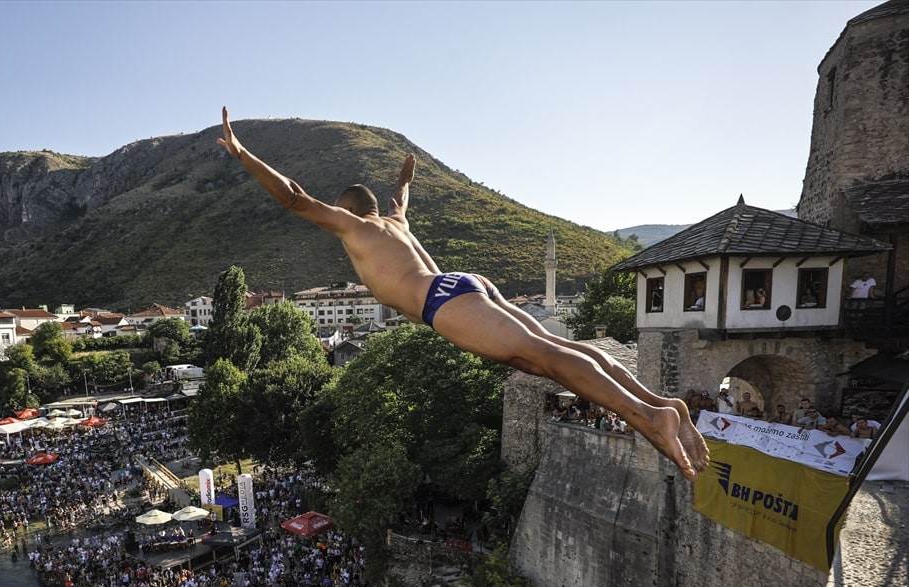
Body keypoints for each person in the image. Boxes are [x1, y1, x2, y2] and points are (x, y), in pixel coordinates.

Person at [216, 108, 705, 480]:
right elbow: (402, 201)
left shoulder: (353, 228)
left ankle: (648, 416)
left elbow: (295, 197)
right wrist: (405, 183)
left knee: (547, 358)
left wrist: (243, 155)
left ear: (346, 211)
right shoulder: (394, 222)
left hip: (442, 302)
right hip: (464, 284)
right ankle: (661, 403)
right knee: (554, 352)